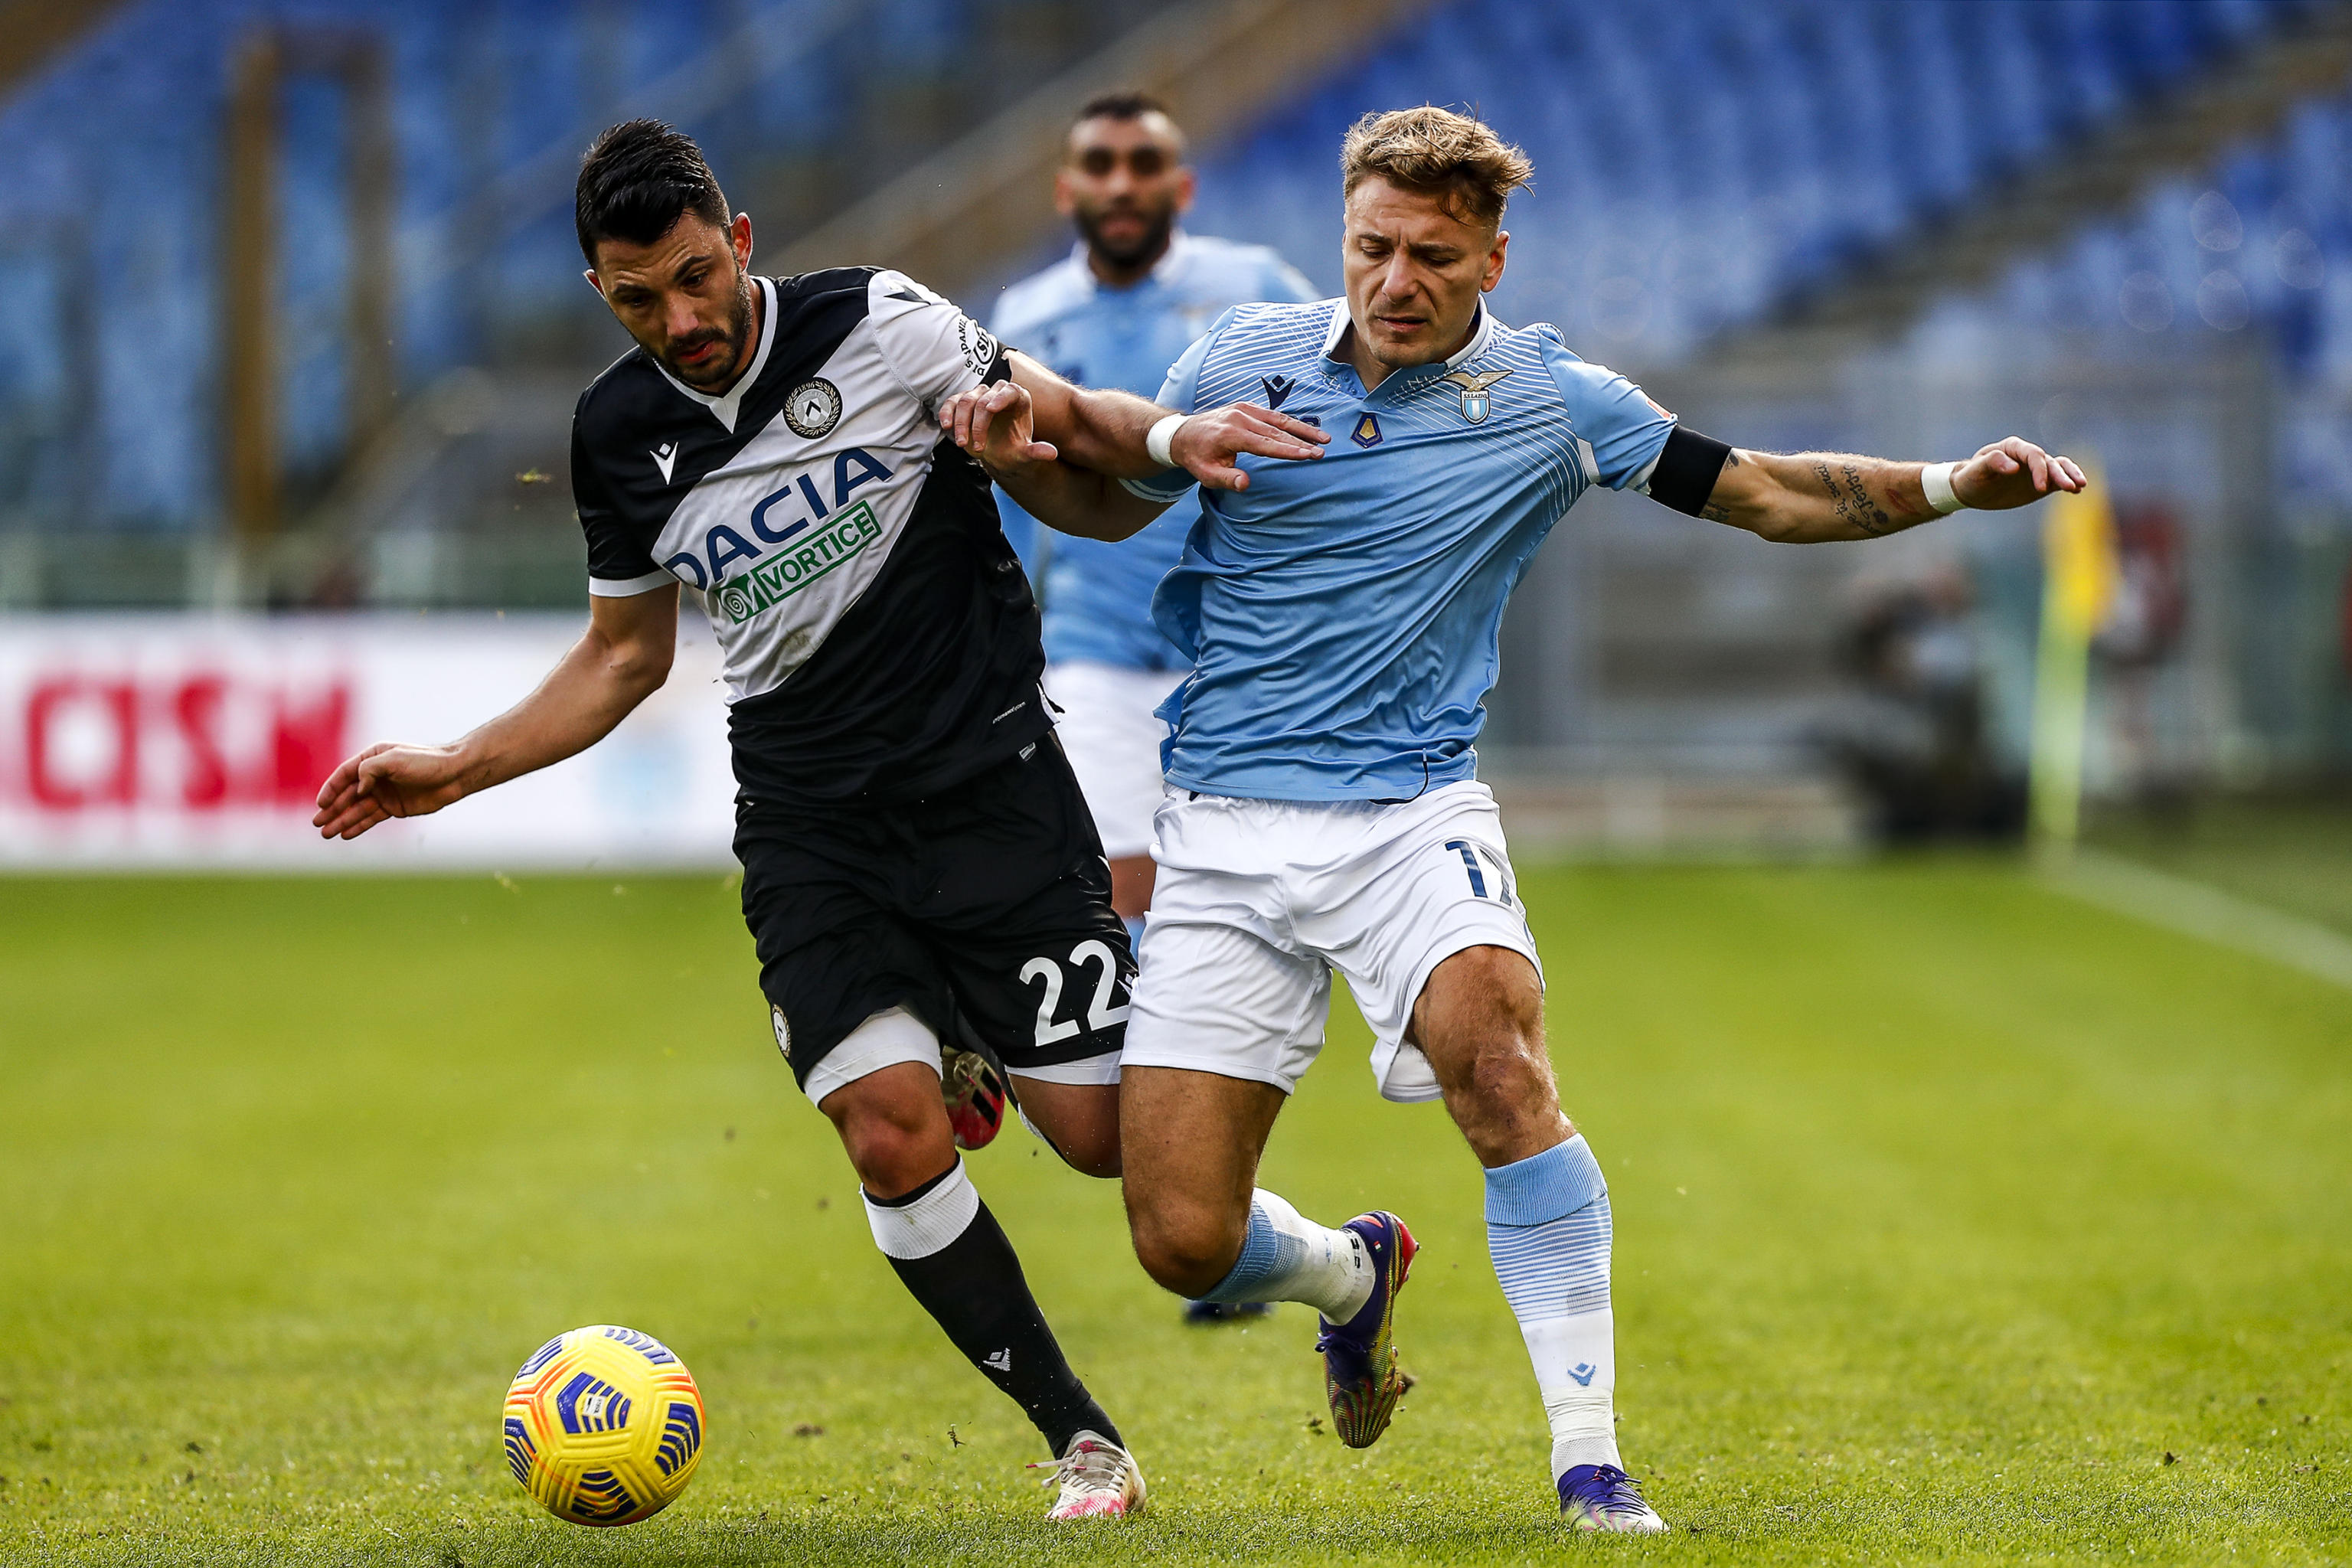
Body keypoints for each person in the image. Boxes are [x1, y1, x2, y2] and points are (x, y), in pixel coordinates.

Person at [936, 105, 2086, 1534]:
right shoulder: (1241, 359)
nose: (1394, 279)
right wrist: (1008, 462)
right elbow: (1113, 505)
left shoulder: (1553, 401)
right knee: (1179, 1240)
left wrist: (1947, 486)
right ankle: (1352, 1270)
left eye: (1429, 253)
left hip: (1410, 815)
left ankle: (1591, 1463)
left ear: (1490, 257)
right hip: (1221, 832)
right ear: (1340, 238)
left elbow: (1767, 493)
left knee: (1497, 1055)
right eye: (1371, 246)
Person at [309, 119, 1315, 1521]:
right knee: (891, 1134)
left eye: (693, 277)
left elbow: (1068, 425)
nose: (680, 320)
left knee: (1104, 1147)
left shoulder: (882, 323)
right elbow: (624, 655)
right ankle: (1083, 1439)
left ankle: (1342, 1266)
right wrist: (460, 765)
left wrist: (1162, 434)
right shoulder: (615, 431)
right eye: (636, 298)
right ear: (600, 290)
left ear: (739, 241)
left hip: (990, 792)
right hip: (810, 825)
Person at [992, 91, 1316, 943]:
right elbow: (1009, 499)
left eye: (1145, 165)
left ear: (1184, 187)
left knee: (1244, 904)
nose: (1123, 184)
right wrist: (1004, 636)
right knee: (1112, 893)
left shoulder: (1257, 289)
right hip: (1093, 645)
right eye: (1101, 165)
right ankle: (1135, 1072)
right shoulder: (1024, 321)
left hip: (1237, 640)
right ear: (1067, 190)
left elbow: (1338, 422)